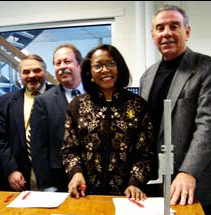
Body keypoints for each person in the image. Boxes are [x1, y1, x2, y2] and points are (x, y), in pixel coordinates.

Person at [139, 5, 211, 215]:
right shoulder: (147, 75)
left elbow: (209, 125)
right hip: (155, 184)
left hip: (193, 185)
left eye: (174, 26)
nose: (166, 33)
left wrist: (188, 171)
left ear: (187, 31)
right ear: (153, 36)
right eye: (160, 28)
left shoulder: (208, 69)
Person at [61, 44, 156, 200]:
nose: (105, 70)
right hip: (86, 194)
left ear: (119, 68)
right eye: (98, 66)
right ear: (90, 73)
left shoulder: (138, 105)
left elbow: (145, 154)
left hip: (128, 197)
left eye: (111, 64)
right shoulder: (77, 105)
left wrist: (135, 183)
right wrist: (75, 173)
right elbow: (69, 149)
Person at [0, 54, 53, 192]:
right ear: (20, 75)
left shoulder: (59, 96)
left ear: (45, 72)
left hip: (54, 176)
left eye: (37, 70)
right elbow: (0, 139)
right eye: (26, 72)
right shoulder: (5, 102)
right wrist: (11, 170)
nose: (31, 75)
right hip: (20, 176)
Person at [30, 44, 85, 192]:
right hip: (59, 180)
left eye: (67, 61)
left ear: (79, 65)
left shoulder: (96, 95)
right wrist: (47, 186)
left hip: (95, 177)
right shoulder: (44, 101)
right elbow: (38, 148)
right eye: (57, 63)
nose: (62, 67)